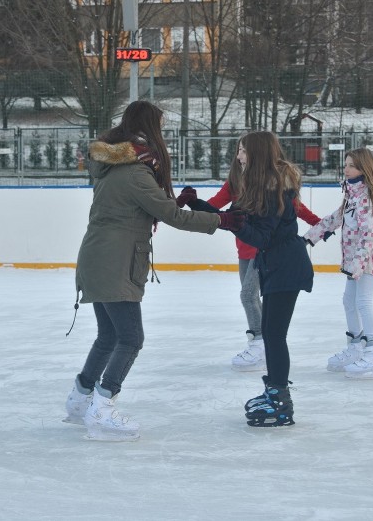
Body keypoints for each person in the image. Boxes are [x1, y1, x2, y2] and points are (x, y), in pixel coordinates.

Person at [64, 100, 244, 441]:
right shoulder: (136, 172)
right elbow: (172, 217)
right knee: (131, 338)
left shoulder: (118, 167)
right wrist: (223, 219)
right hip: (115, 262)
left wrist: (174, 202)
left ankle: (79, 400)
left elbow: (144, 210)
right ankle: (101, 408)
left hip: (99, 257)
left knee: (109, 336)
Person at [181, 131, 313, 427]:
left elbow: (260, 236)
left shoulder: (273, 188)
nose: (238, 157)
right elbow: (229, 216)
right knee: (269, 330)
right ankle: (274, 391)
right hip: (275, 265)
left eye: (242, 151)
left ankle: (281, 401)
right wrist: (196, 204)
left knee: (275, 335)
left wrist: (234, 225)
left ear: (257, 154)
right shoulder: (256, 185)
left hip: (286, 266)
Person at [304, 147, 373, 379]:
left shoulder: (367, 198)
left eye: (351, 165)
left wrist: (358, 264)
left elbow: (369, 235)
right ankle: (356, 347)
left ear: (364, 168)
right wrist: (308, 238)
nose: (346, 169)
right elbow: (334, 219)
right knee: (348, 301)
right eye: (346, 164)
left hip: (368, 260)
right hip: (355, 261)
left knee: (363, 301)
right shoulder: (352, 195)